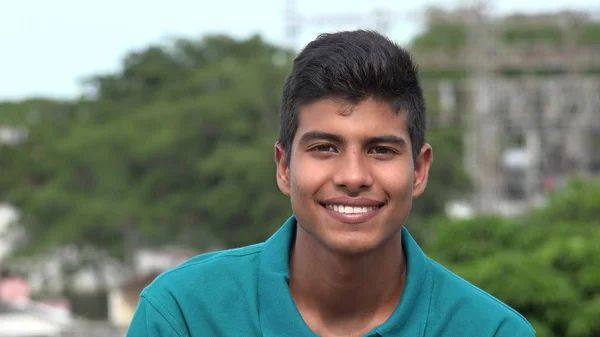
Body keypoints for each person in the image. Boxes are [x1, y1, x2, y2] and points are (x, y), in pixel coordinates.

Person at [125, 30, 536, 337]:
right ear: (284, 167)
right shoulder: (185, 315)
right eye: (324, 147)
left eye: (381, 150)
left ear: (420, 170)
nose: (353, 177)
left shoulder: (491, 330)